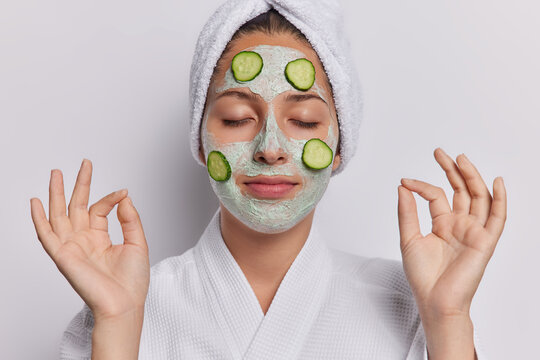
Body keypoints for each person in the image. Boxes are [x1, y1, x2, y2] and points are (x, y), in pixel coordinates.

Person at [30, 1, 507, 359]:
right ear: (199, 141)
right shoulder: (120, 306)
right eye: (237, 118)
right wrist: (119, 323)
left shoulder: (413, 307)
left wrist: (448, 320)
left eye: (303, 121)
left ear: (340, 147)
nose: (270, 147)